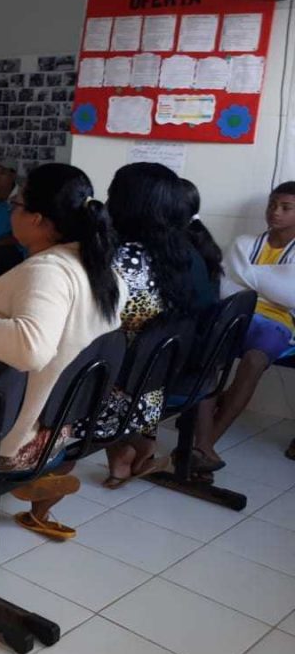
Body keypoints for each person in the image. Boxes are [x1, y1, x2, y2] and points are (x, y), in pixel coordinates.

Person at [0, 163, 125, 540]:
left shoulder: (49, 271)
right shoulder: (100, 268)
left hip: (0, 436)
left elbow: (31, 347)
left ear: (38, 219)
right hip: (54, 429)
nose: (11, 211)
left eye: (16, 204)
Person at [97, 164, 215, 489]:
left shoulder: (121, 260)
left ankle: (124, 447)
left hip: (124, 390)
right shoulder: (186, 252)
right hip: (166, 376)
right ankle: (137, 449)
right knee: (143, 350)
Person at [193, 181, 295, 467]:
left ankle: (206, 444)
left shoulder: (245, 252)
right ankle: (203, 446)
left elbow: (291, 294)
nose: (276, 212)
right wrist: (271, 284)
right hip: (234, 313)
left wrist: (247, 279)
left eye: (286, 208)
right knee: (208, 356)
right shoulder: (244, 243)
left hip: (277, 321)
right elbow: (223, 287)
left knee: (253, 361)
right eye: (272, 205)